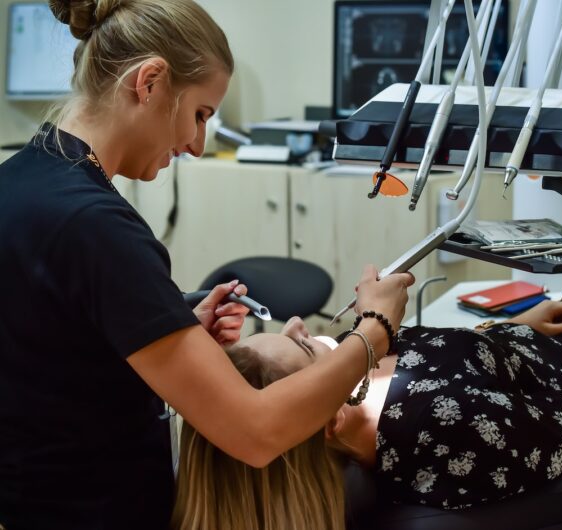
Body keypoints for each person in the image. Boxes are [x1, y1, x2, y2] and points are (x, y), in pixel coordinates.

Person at [0, 2, 412, 529]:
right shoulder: (98, 227)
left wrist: (168, 336)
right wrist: (373, 333)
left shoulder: (18, 183)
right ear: (149, 82)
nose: (196, 145)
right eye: (199, 114)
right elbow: (256, 434)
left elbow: (51, 367)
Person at [172, 274, 562, 529]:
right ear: (328, 415)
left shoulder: (361, 389)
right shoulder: (447, 435)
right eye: (299, 345)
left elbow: (450, 364)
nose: (298, 324)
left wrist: (512, 329)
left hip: (554, 344)